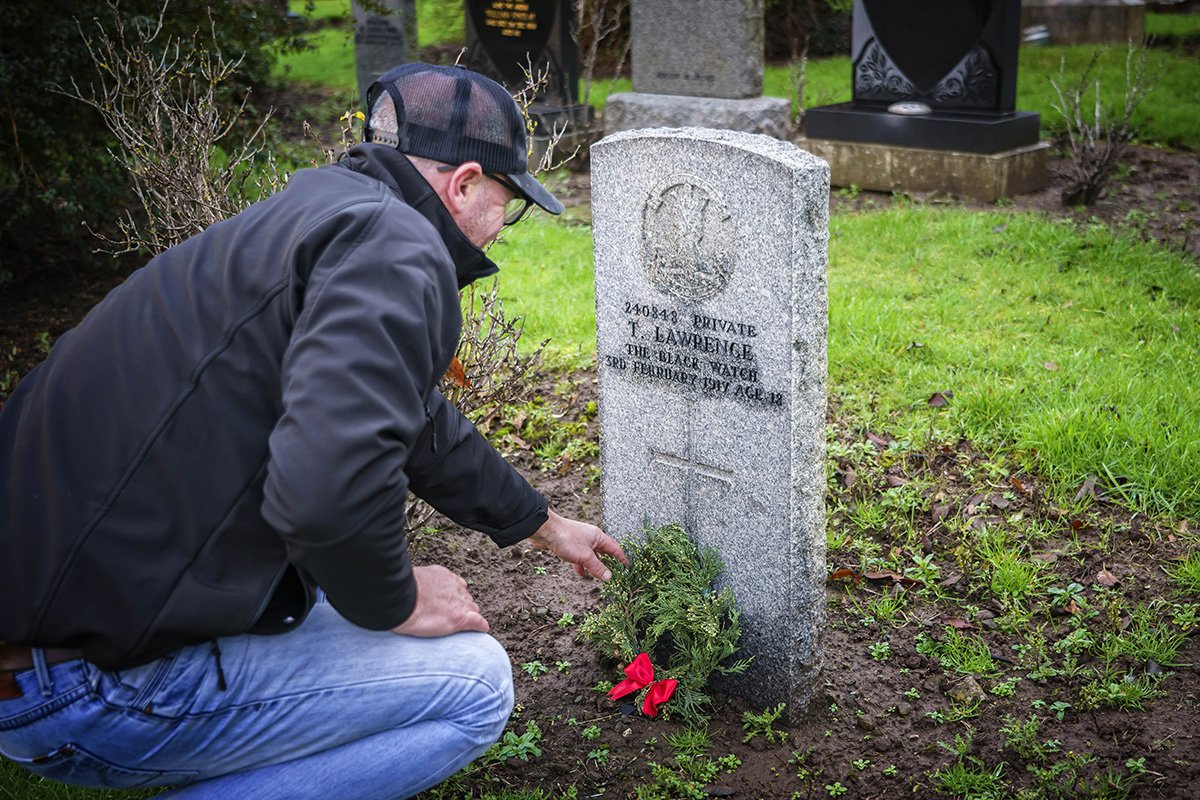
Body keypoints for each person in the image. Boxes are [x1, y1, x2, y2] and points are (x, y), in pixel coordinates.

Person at [0, 62, 627, 799]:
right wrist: (396, 600)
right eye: (508, 203)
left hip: (53, 615)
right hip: (80, 679)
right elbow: (323, 494)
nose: (503, 230)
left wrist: (541, 523)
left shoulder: (326, 214)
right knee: (476, 683)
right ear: (462, 185)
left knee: (330, 598)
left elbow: (410, 415)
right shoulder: (398, 249)